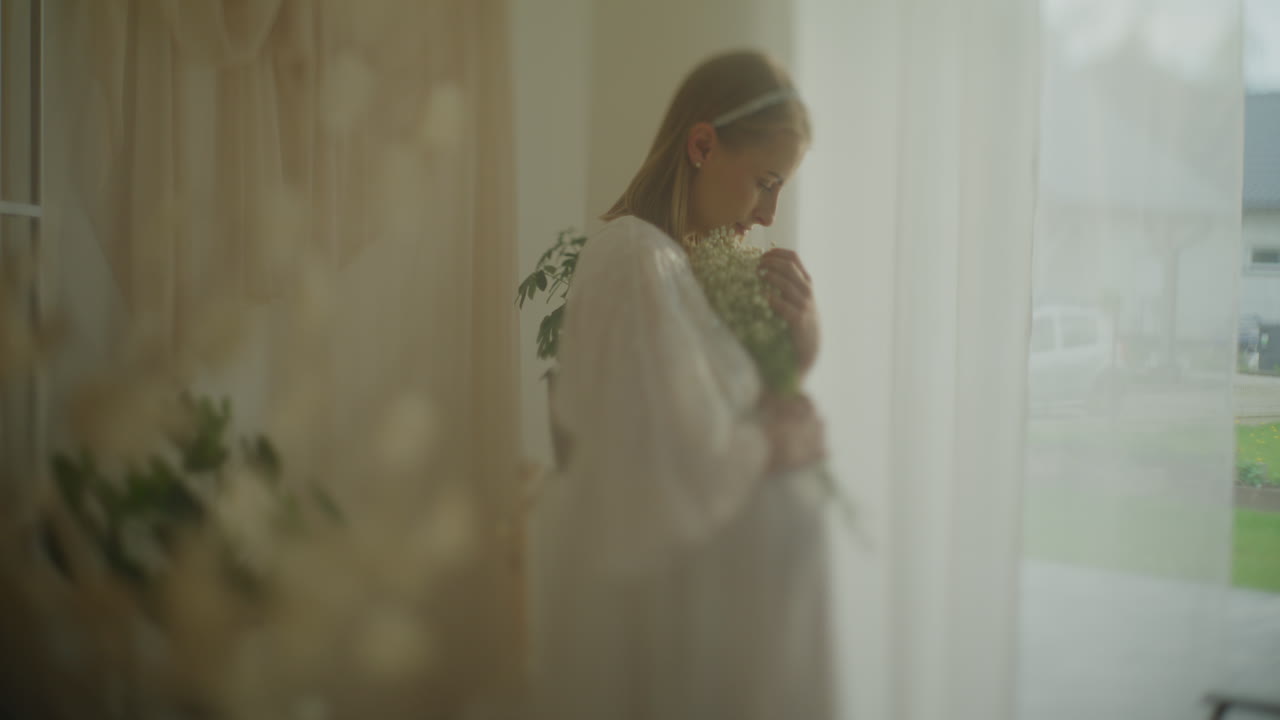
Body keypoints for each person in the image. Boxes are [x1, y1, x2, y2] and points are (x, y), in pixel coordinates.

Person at [528, 50, 833, 719]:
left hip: (707, 628)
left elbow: (714, 415)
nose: (767, 214)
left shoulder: (671, 266)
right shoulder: (636, 260)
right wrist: (782, 442)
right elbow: (682, 469)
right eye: (766, 182)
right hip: (671, 638)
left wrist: (801, 338)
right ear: (702, 145)